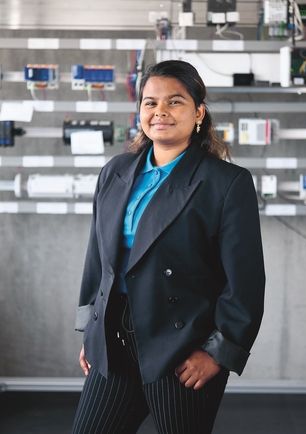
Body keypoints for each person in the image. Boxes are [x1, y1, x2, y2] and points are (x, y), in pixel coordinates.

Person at [72, 60, 265, 434]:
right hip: (115, 339)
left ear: (198, 113)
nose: (160, 111)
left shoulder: (226, 182)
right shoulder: (115, 171)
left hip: (182, 346)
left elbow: (244, 281)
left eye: (175, 101)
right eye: (150, 102)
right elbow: (97, 259)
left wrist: (217, 353)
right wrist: (92, 329)